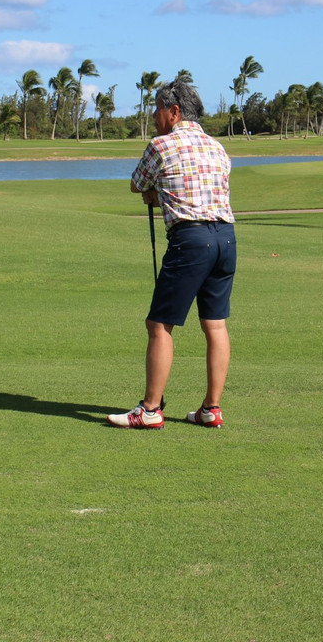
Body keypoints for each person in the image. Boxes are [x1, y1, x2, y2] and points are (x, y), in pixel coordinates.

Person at [107, 79, 237, 429]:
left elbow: (138, 183)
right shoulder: (218, 147)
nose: (154, 116)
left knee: (159, 324)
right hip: (226, 238)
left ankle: (149, 410)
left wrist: (154, 193)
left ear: (174, 111)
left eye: (158, 110)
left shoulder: (161, 145)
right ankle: (211, 409)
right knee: (214, 323)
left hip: (190, 240)